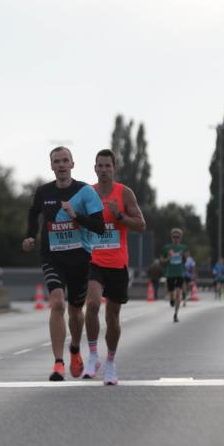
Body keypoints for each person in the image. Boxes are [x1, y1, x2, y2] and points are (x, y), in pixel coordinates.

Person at [23, 147, 105, 381]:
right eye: (56, 161)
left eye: (65, 161)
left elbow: (99, 226)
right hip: (52, 257)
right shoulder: (43, 191)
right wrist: (30, 236)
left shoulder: (85, 191)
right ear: (51, 166)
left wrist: (75, 216)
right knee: (57, 303)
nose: (61, 165)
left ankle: (75, 350)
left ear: (72, 164)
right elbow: (33, 214)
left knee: (76, 311)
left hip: (80, 259)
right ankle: (58, 363)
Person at [83, 149, 146, 386]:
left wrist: (120, 217)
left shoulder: (124, 193)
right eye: (99, 165)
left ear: (114, 168)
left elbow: (141, 226)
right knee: (91, 305)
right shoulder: (87, 193)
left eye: (107, 166)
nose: (103, 170)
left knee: (113, 316)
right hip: (93, 260)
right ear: (95, 168)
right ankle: (92, 356)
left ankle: (109, 362)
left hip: (118, 263)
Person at [161, 227, 188, 323]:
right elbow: (162, 260)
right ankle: (171, 300)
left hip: (179, 273)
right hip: (170, 274)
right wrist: (168, 258)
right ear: (171, 237)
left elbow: (185, 260)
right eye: (174, 237)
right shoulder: (166, 248)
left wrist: (184, 257)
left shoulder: (184, 248)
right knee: (172, 294)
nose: (176, 239)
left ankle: (176, 314)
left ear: (181, 238)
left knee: (178, 294)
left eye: (178, 237)